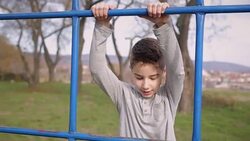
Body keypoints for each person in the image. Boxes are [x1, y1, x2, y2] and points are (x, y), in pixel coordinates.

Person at [90, 2, 185, 141]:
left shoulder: (169, 96)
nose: (146, 85)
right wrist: (102, 25)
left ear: (164, 72)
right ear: (131, 70)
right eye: (139, 77)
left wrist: (163, 24)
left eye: (153, 78)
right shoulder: (123, 94)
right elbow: (97, 70)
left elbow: (177, 72)